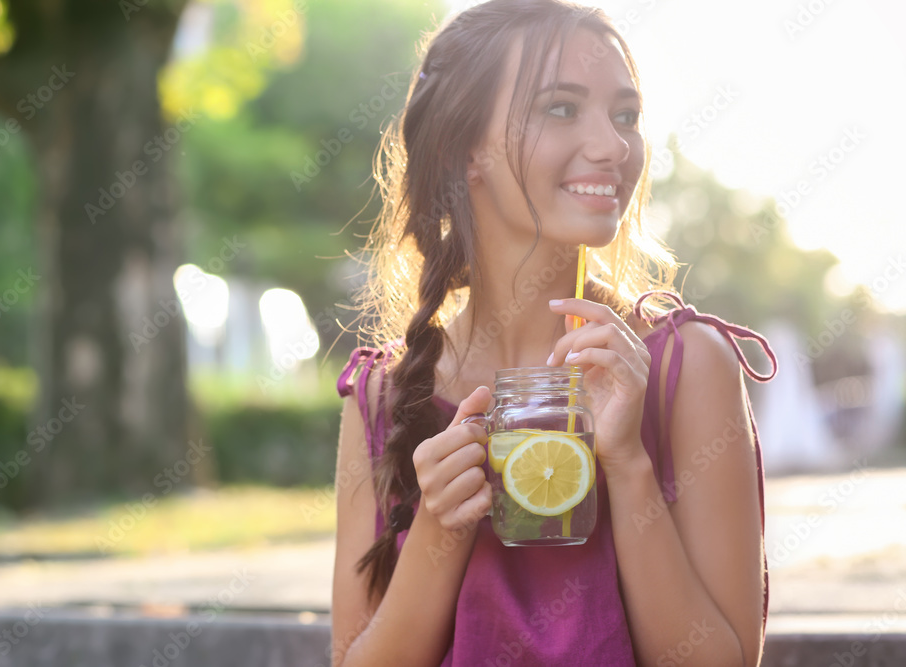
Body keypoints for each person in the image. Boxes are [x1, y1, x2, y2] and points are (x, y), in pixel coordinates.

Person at [331, 1, 778, 665]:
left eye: (625, 115)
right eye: (562, 108)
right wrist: (438, 529)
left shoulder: (689, 368)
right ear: (464, 150)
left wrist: (627, 466)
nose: (614, 145)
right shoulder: (381, 397)